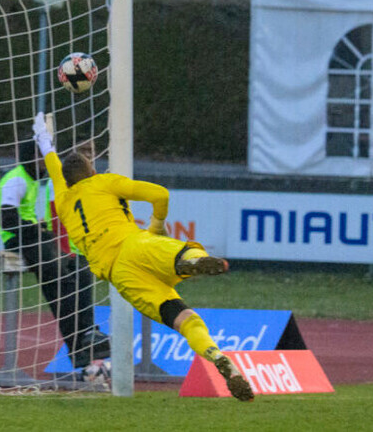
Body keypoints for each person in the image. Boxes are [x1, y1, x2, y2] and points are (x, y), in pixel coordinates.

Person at [31, 112, 254, 401]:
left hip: (119, 275)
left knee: (184, 319)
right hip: (137, 244)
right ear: (92, 172)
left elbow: (53, 168)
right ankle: (194, 261)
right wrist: (156, 227)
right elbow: (159, 194)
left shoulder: (62, 201)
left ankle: (218, 357)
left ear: (68, 180)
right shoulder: (106, 183)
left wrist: (44, 141)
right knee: (185, 253)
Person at [0, 139, 111, 371]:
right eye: (42, 157)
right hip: (20, 241)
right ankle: (83, 343)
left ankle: (86, 341)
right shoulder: (18, 179)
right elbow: (7, 220)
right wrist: (35, 228)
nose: (45, 162)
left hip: (37, 239)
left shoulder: (32, 180)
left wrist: (38, 228)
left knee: (77, 276)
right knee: (62, 285)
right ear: (32, 157)